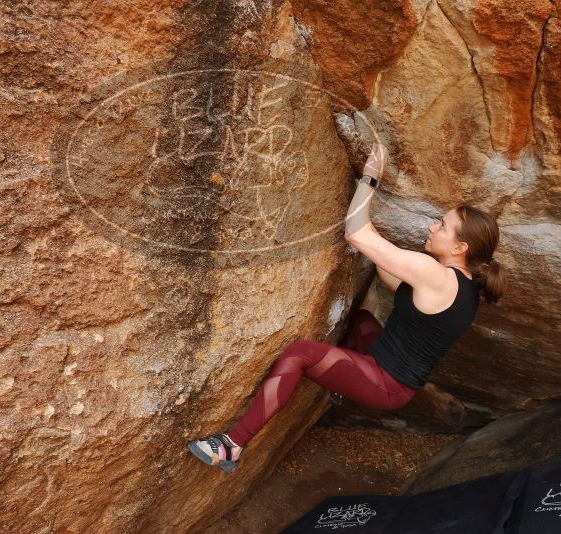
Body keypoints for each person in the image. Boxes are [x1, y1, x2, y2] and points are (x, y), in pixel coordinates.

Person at [186, 143, 508, 473]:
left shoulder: (435, 275)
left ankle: (231, 447)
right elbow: (394, 282)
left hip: (386, 384)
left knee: (299, 354)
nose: (431, 227)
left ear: (460, 246)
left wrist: (370, 177)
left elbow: (355, 234)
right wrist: (376, 247)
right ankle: (342, 383)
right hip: (386, 369)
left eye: (441, 225)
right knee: (362, 319)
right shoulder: (464, 287)